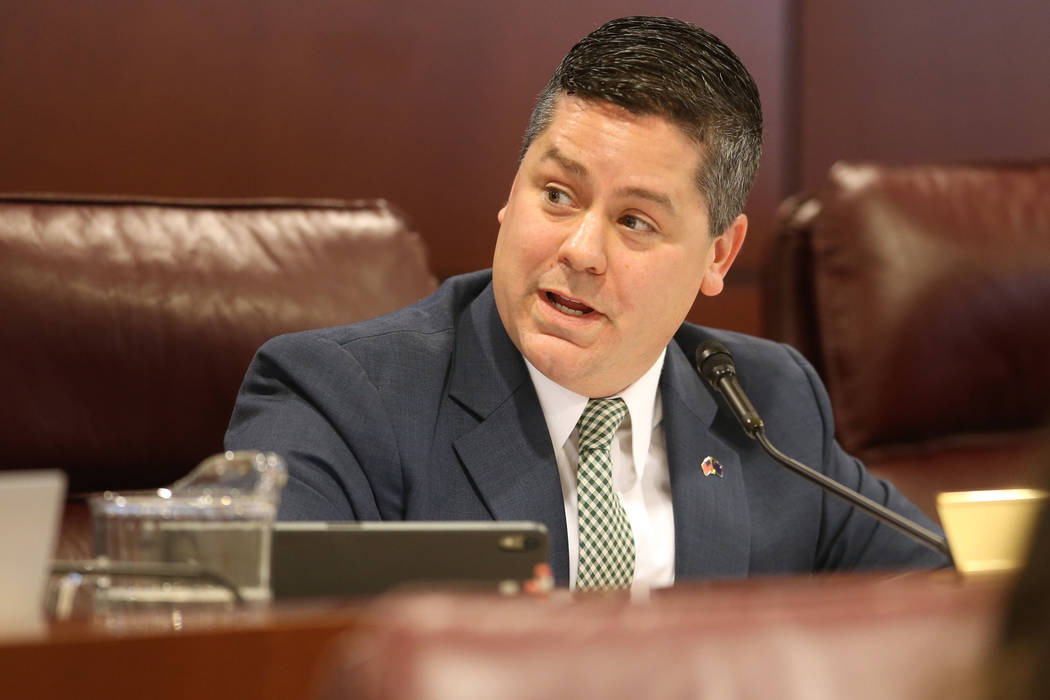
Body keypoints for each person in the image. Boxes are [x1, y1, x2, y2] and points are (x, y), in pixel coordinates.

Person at [225, 16, 948, 589]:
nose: (579, 251)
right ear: (511, 195)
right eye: (557, 195)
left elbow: (947, 602)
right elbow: (266, 653)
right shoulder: (344, 400)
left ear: (718, 256)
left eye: (635, 221)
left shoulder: (769, 406)